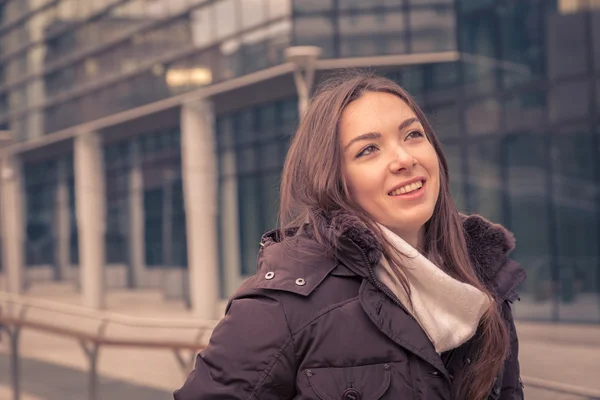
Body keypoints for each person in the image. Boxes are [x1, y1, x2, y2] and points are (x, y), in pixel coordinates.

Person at [174, 73, 526, 400]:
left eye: (413, 135)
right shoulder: (284, 305)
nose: (403, 158)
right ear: (334, 182)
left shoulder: (484, 281)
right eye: (368, 150)